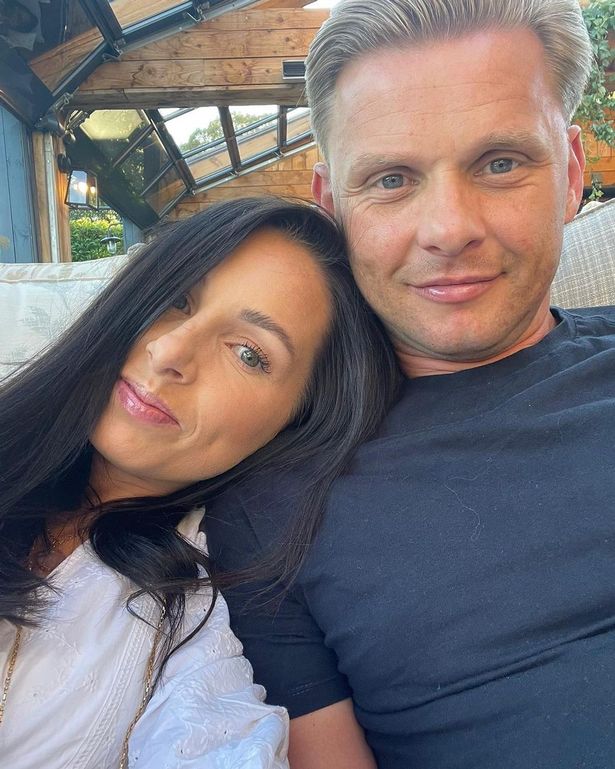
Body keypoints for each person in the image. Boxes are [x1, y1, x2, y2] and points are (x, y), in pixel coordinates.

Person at [206, 2, 615, 768]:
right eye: (390, 179)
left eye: (499, 163)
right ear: (333, 208)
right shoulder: (270, 507)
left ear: (569, 174)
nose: (448, 228)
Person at [0, 197, 398, 768]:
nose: (169, 351)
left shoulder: (192, 615)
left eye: (248, 353)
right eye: (176, 300)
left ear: (298, 420)